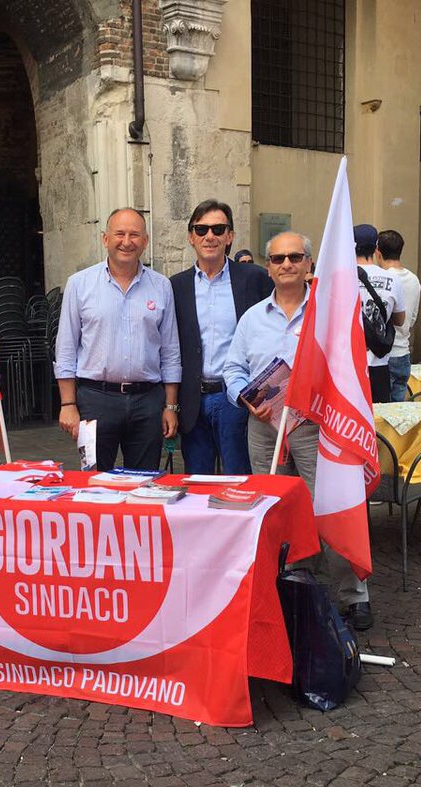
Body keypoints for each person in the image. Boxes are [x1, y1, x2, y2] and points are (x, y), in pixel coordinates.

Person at [223, 232, 374, 631]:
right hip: (264, 428)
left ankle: (353, 595)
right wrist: (244, 398)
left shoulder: (329, 314)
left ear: (309, 263)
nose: (286, 264)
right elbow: (233, 369)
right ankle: (292, 584)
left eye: (294, 257)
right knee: (274, 512)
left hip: (316, 429)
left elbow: (347, 366)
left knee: (329, 506)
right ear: (267, 266)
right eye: (277, 258)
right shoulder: (252, 318)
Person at [54, 207, 181, 471]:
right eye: (119, 233)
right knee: (93, 479)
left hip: (147, 402)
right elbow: (66, 349)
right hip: (94, 400)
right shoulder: (79, 285)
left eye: (135, 234)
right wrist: (68, 404)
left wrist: (170, 406)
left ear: (145, 241)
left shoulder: (161, 286)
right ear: (105, 239)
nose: (127, 241)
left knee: (144, 483)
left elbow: (170, 351)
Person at [172, 199, 273, 475]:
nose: (210, 236)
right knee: (197, 482)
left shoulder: (254, 279)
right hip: (193, 400)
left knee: (240, 480)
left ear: (229, 236)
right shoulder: (175, 286)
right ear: (191, 236)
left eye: (218, 229)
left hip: (235, 399)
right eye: (201, 229)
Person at [355, 224, 405, 404]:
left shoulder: (340, 277)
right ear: (376, 247)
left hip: (349, 365)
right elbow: (400, 320)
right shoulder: (392, 279)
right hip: (378, 363)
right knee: (379, 421)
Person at [376, 230, 421, 401]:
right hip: (403, 352)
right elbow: (413, 317)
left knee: (382, 413)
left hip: (384, 354)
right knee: (397, 410)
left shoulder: (384, 280)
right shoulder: (413, 279)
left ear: (377, 252)